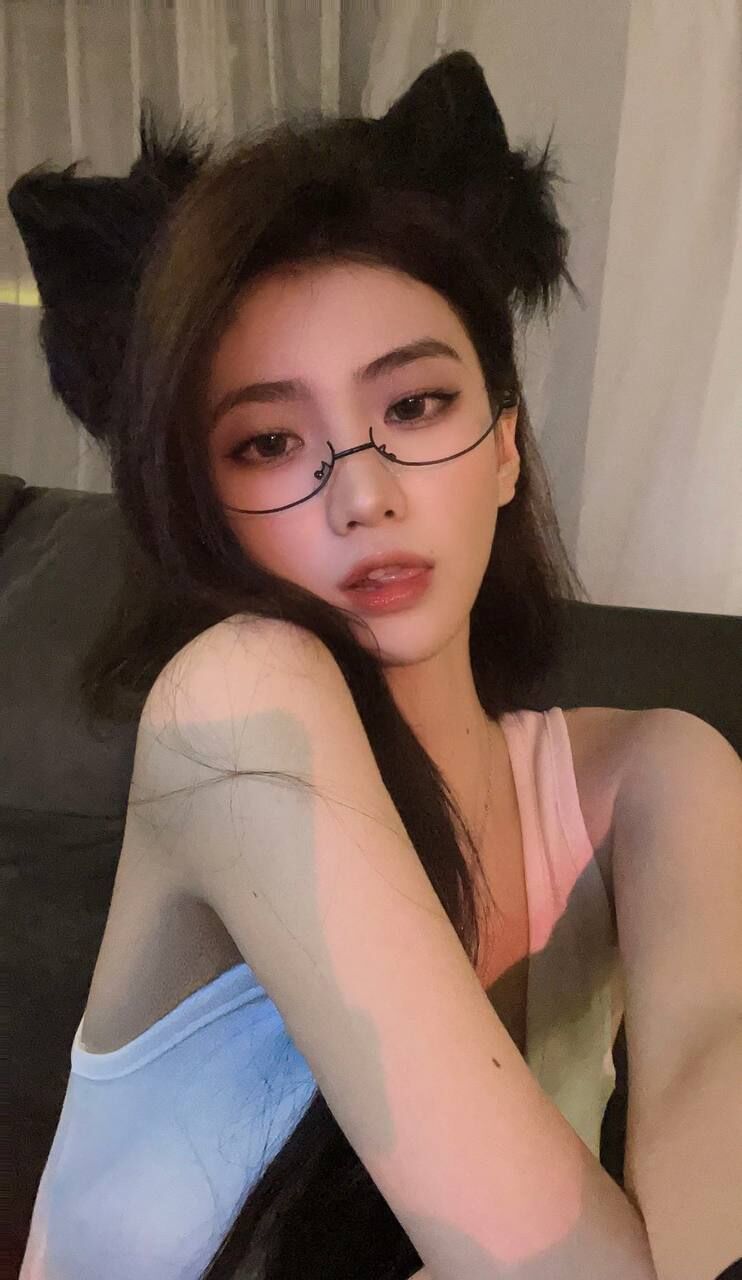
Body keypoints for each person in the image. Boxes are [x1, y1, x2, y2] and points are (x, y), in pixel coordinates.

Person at [11, 50, 660, 1280]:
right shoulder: (234, 698)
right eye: (266, 441)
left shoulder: (654, 774)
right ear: (197, 504)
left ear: (505, 444)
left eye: (412, 406)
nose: (361, 494)